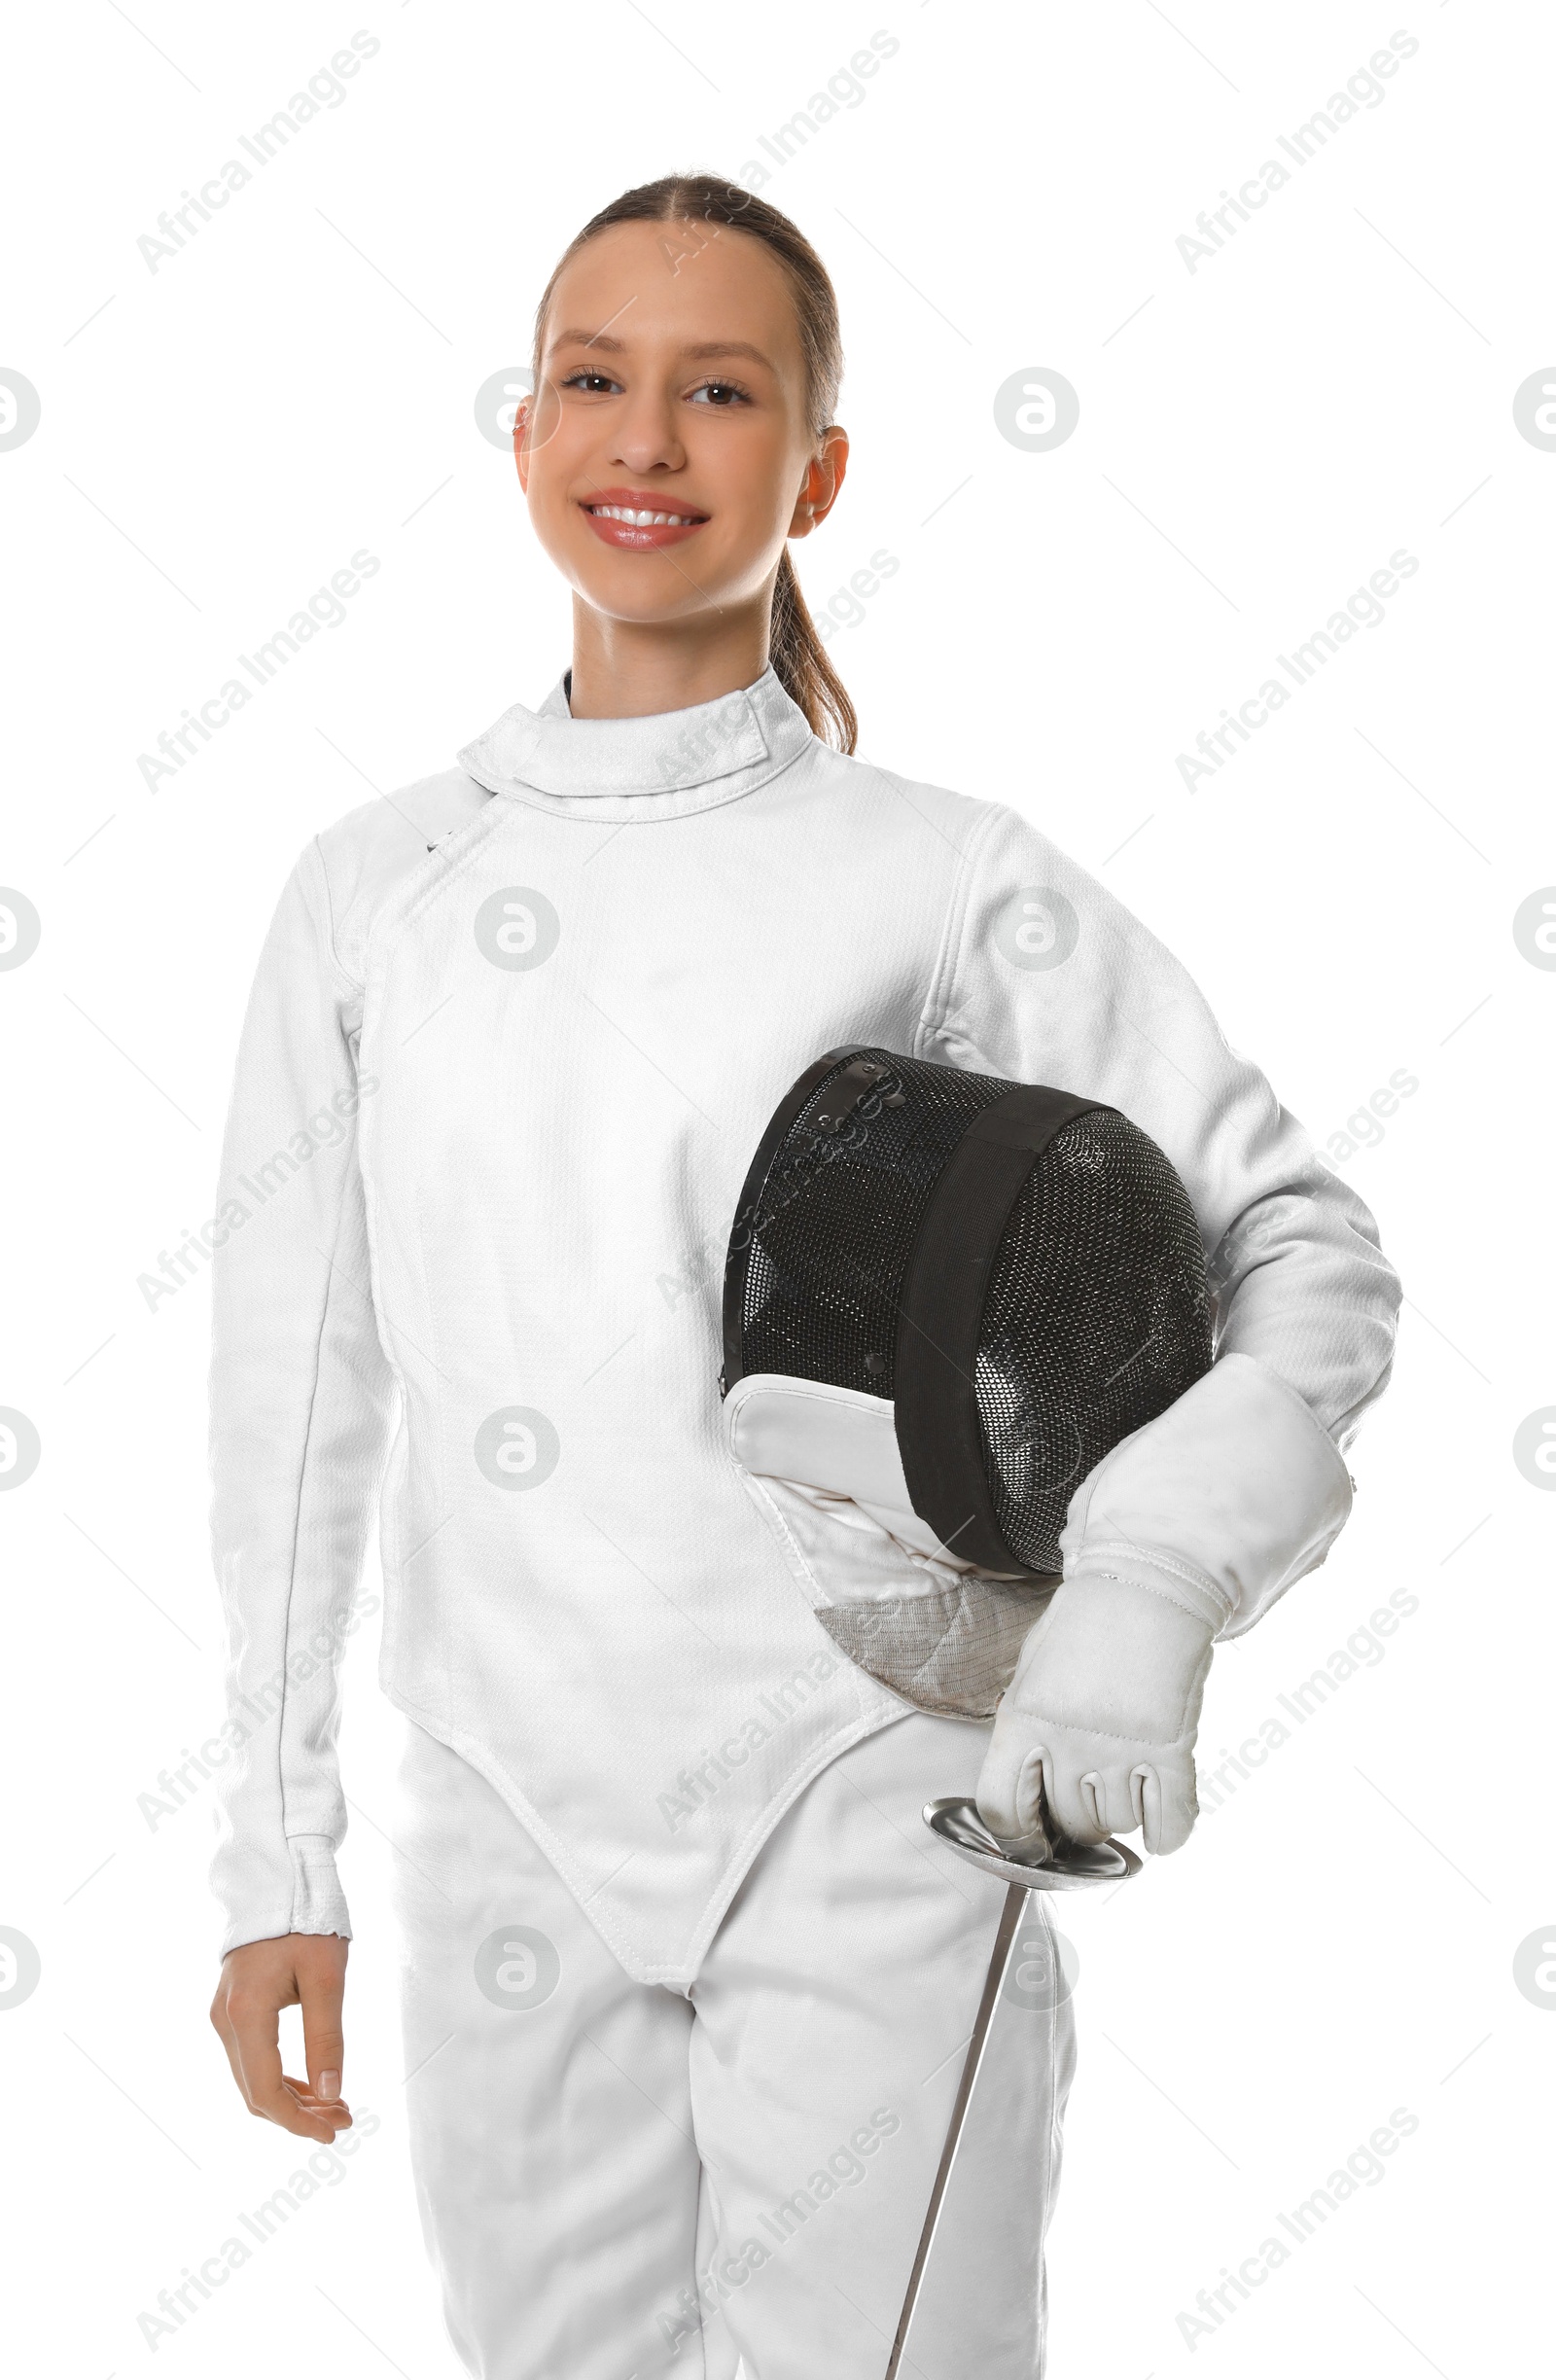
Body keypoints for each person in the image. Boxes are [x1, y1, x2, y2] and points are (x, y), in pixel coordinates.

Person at [206, 173, 1399, 2379]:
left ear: (814, 467)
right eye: (593, 379)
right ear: (523, 425)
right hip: (504, 1811)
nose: (643, 441)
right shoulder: (373, 889)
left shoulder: (942, 880)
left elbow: (1302, 1259)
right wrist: (278, 1859)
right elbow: (294, 1389)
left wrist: (1139, 1595)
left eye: (718, 391)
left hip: (866, 1791)